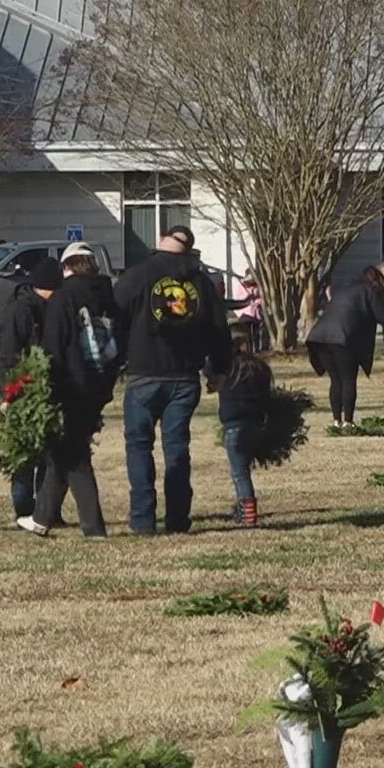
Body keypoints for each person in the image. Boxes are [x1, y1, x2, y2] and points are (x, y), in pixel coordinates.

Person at [112, 225, 231, 536]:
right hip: (184, 376)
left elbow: (115, 317)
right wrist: (218, 369)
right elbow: (219, 330)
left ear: (161, 240)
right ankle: (178, 519)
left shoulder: (138, 275)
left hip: (143, 373)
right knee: (177, 448)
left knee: (139, 447)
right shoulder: (202, 282)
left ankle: (142, 520)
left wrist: (117, 359)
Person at [21, 246, 122, 539]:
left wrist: (47, 386)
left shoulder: (64, 298)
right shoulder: (107, 296)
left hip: (72, 385)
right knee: (62, 454)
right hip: (100, 383)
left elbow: (54, 346)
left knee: (74, 457)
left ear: (67, 268)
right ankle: (42, 518)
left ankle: (94, 527)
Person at [0, 258, 61, 525]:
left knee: (48, 455)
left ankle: (45, 511)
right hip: (21, 385)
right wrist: (10, 393)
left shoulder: (49, 307)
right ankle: (23, 510)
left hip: (46, 387)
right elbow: (9, 355)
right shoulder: (21, 311)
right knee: (24, 455)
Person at [306, 267, 384, 426]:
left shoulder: (344, 290)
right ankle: (348, 421)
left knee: (336, 380)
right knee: (348, 380)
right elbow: (382, 315)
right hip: (342, 339)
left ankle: (336, 420)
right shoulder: (369, 290)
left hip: (320, 337)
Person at [217, 328, 274, 528]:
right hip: (256, 424)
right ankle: (242, 506)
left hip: (235, 426)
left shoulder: (228, 369)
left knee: (239, 471)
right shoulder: (260, 368)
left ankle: (248, 511)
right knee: (243, 468)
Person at [236, 271, 266, 352]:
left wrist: (258, 302)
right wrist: (249, 293)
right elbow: (240, 298)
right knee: (247, 333)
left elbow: (261, 297)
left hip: (256, 313)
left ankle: (256, 349)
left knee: (256, 333)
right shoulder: (241, 285)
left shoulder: (258, 285)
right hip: (245, 313)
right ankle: (248, 350)